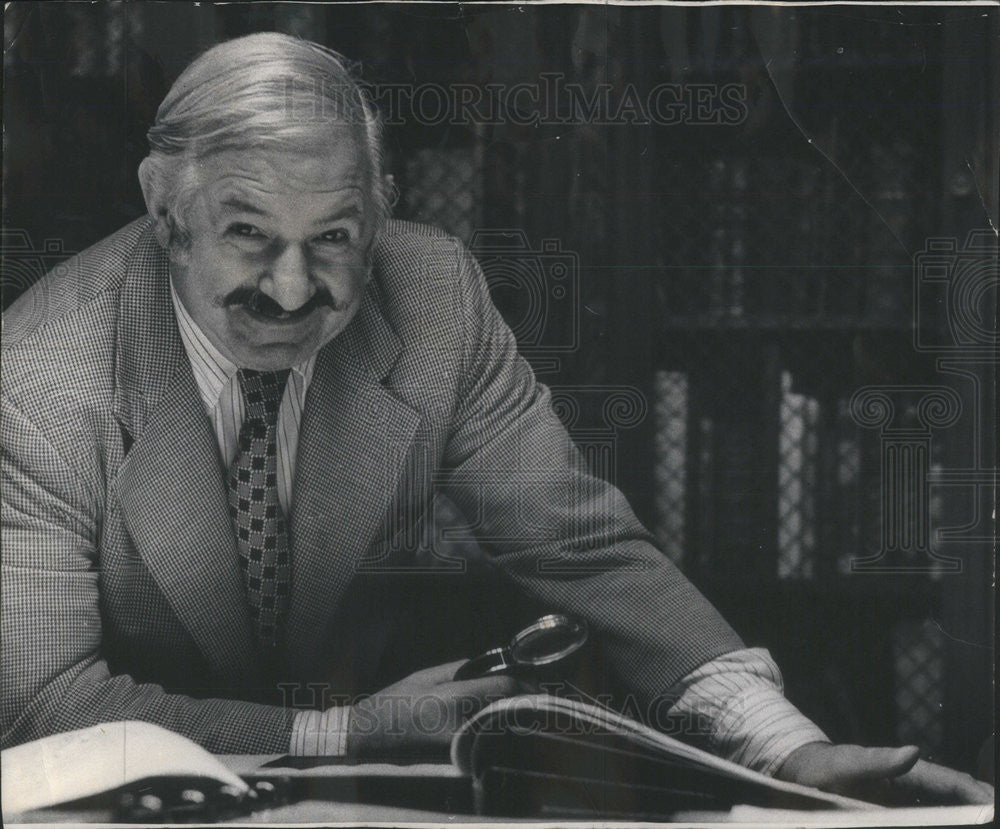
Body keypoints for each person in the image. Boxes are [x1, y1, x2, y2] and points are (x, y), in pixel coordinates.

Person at [1, 32, 991, 804]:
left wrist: (791, 748)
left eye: (334, 235)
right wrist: (347, 731)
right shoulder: (40, 377)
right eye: (248, 234)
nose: (294, 289)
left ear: (383, 204)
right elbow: (45, 707)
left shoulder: (431, 293)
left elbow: (580, 542)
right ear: (164, 211)